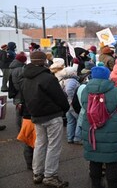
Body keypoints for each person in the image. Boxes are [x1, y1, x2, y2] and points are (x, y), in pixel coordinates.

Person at [22, 51, 70, 187]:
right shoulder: (48, 78)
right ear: (44, 61)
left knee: (40, 144)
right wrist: (64, 109)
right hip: (52, 115)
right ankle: (50, 175)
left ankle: (37, 173)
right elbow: (60, 98)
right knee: (53, 146)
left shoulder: (25, 77)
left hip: (36, 115)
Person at [80, 66, 117, 188]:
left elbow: (83, 106)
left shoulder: (85, 91)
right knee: (112, 161)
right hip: (112, 129)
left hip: (91, 128)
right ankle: (113, 185)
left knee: (94, 159)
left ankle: (96, 184)